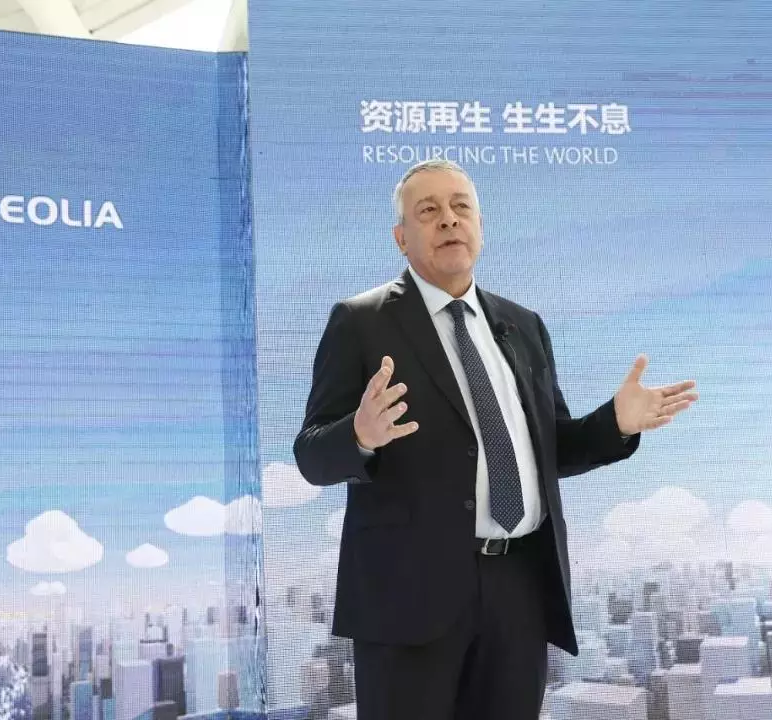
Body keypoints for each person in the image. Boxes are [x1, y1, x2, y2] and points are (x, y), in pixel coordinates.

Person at [293, 159, 698, 720]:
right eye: (428, 211)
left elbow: (552, 450)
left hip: (519, 589)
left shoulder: (523, 325)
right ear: (401, 237)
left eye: (461, 207)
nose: (448, 220)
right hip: (409, 595)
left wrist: (616, 422)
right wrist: (359, 435)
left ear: (480, 225)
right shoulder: (360, 321)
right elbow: (311, 454)